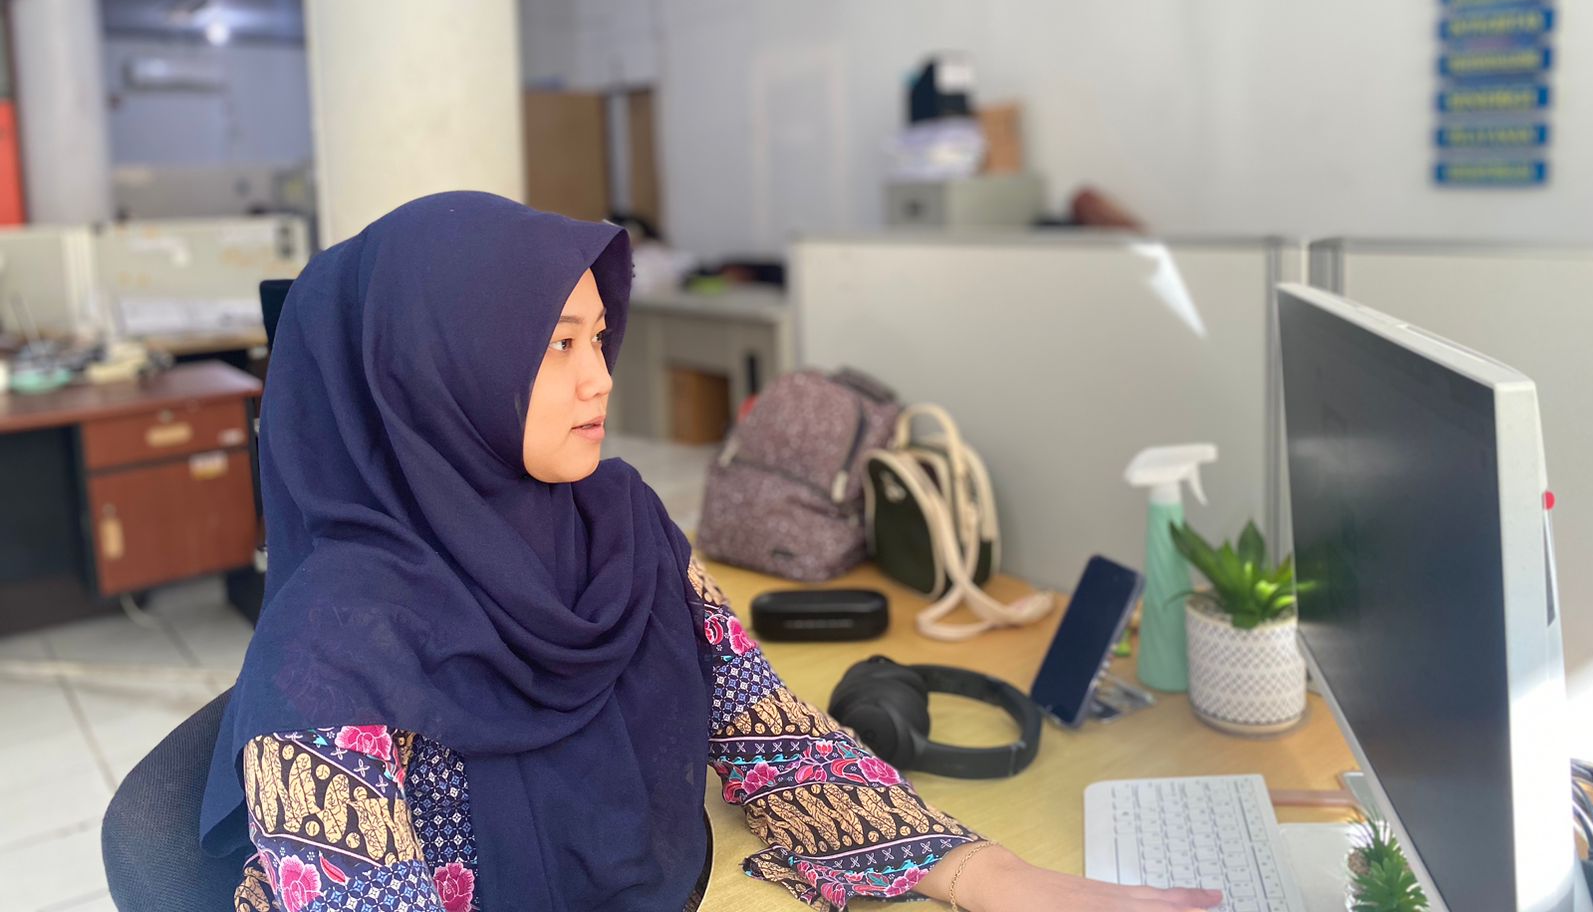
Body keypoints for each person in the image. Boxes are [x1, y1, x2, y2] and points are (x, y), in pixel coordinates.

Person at [203, 192, 1220, 912]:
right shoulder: (330, 643)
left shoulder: (619, 522)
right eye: (557, 345)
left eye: (598, 336)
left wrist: (993, 876)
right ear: (437, 374)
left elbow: (767, 733)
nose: (601, 378)